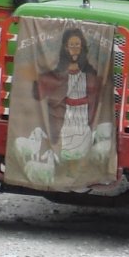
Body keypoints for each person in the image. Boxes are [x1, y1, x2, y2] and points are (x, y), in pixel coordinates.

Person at [34, 28, 102, 161]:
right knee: (66, 145)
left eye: (78, 45)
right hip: (65, 114)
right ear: (65, 48)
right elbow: (43, 92)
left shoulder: (90, 72)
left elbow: (97, 94)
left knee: (82, 146)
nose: (75, 49)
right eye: (72, 45)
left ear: (82, 47)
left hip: (83, 116)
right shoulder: (58, 73)